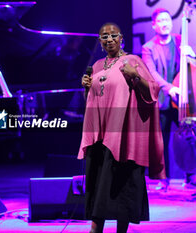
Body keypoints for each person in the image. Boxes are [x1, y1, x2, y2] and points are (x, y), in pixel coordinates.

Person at [79, 22, 165, 233]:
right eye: (104, 37)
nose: (109, 39)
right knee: (99, 185)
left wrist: (134, 75)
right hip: (100, 135)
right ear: (100, 42)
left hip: (123, 136)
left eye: (112, 35)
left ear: (121, 38)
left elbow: (153, 91)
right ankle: (95, 229)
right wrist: (86, 88)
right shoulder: (98, 65)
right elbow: (92, 101)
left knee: (121, 186)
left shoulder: (133, 60)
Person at [142, 8, 196, 189]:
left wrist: (193, 55)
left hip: (183, 100)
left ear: (171, 23)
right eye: (160, 21)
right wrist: (170, 87)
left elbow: (192, 66)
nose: (164, 23)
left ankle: (191, 176)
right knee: (161, 142)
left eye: (167, 20)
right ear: (154, 25)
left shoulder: (181, 40)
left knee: (190, 138)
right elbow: (152, 73)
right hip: (163, 99)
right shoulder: (148, 48)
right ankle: (162, 180)